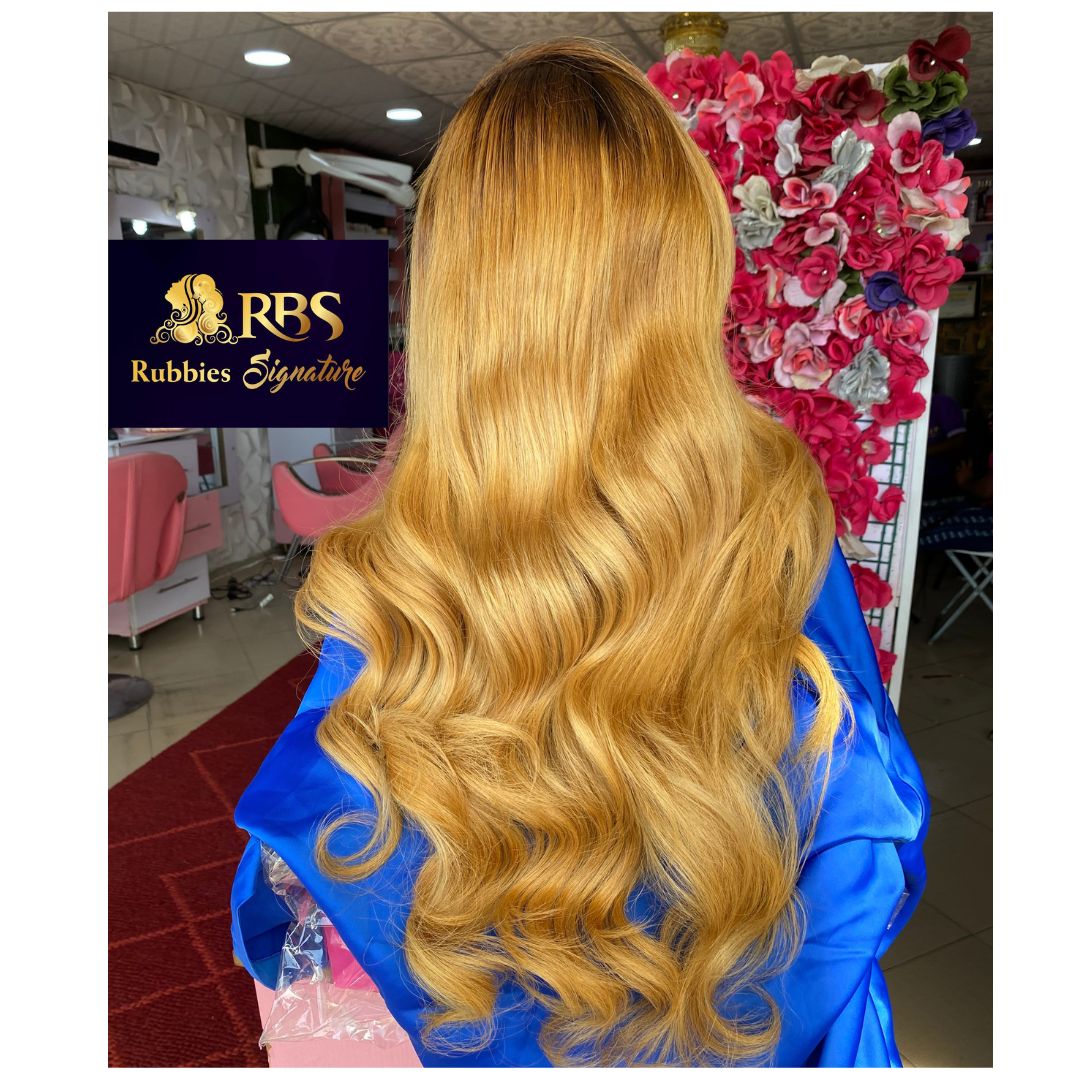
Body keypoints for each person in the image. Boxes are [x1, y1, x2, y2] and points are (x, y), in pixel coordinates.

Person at [231, 40, 928, 1068]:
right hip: (736, 1016)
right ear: (686, 267)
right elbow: (863, 827)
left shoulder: (398, 560)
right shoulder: (772, 510)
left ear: (453, 296)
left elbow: (309, 848)